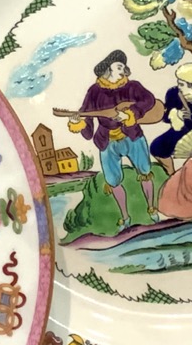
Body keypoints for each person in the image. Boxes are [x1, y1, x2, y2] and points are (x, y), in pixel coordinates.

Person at [67, 50, 161, 228]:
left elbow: (149, 100)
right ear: (108, 68)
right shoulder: (94, 92)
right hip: (107, 141)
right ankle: (125, 218)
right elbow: (87, 120)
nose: (122, 70)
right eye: (119, 66)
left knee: (145, 170)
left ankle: (152, 209)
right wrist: (78, 122)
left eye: (123, 67)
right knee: (113, 180)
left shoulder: (132, 86)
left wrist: (131, 113)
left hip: (132, 136)